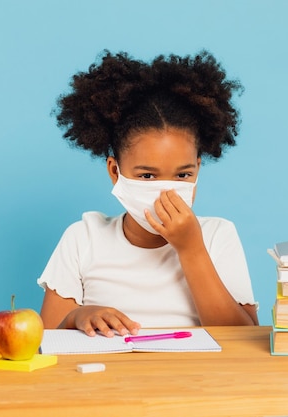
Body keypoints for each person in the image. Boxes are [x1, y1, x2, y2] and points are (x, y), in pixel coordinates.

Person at [38, 50, 258, 337]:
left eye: (182, 175)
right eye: (147, 176)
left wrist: (191, 249)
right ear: (115, 171)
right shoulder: (83, 239)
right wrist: (77, 316)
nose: (166, 190)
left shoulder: (218, 236)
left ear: (198, 170)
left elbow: (246, 340)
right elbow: (46, 343)